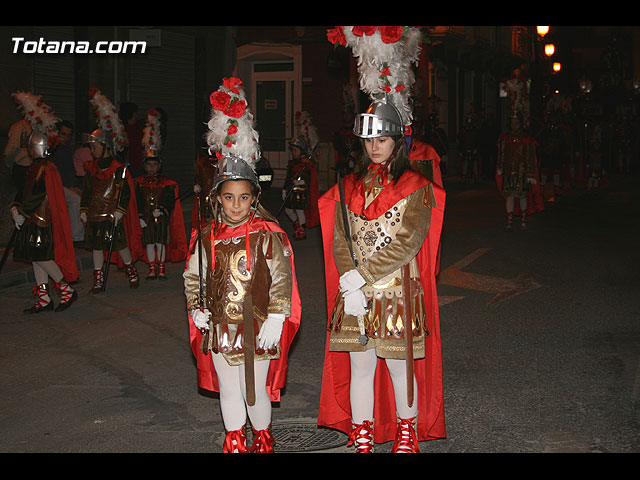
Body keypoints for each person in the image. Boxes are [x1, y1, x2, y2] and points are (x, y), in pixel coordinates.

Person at [320, 26, 446, 453]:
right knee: (360, 368)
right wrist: (348, 279)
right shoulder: (349, 184)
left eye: (383, 139)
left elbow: (409, 240)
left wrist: (363, 276)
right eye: (369, 140)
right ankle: (363, 432)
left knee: (398, 369)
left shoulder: (415, 185)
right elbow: (342, 234)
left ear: (397, 142)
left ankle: (407, 430)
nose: (375, 147)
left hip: (395, 290)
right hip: (354, 293)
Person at [184, 77, 301, 453]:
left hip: (257, 326)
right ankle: (234, 439)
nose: (236, 205)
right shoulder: (206, 235)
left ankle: (263, 437)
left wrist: (277, 318)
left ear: (254, 198)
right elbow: (194, 276)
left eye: (244, 198)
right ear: (218, 198)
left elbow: (282, 278)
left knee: (255, 390)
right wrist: (197, 309)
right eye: (229, 197)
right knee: (229, 388)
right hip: (220, 327)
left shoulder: (267, 232)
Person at [80, 88, 143, 292]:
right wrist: (83, 209)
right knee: (96, 247)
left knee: (120, 246)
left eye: (95, 146)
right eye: (91, 147)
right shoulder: (91, 167)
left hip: (111, 214)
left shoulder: (118, 168)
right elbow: (88, 190)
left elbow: (124, 192)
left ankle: (131, 270)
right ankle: (98, 278)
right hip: (95, 213)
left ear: (105, 146)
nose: (92, 150)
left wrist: (120, 211)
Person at [10, 129, 79, 313]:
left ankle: (66, 289)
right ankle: (44, 298)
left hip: (42, 219)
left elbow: (39, 193)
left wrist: (22, 211)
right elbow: (25, 189)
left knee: (43, 257)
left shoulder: (47, 168)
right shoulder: (35, 167)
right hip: (32, 218)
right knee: (35, 257)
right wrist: (15, 207)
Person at [134, 109, 187, 279]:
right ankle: (151, 267)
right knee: (149, 243)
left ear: (159, 166)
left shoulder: (167, 184)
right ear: (145, 166)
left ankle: (161, 268)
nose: (152, 168)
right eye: (149, 165)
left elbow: (170, 199)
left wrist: (163, 209)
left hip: (161, 218)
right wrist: (140, 216)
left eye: (154, 165)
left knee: (160, 243)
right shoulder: (139, 183)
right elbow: (137, 200)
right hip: (146, 219)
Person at [496, 110, 544, 231]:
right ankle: (510, 220)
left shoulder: (526, 139)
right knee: (510, 196)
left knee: (522, 196)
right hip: (508, 172)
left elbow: (530, 157)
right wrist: (500, 167)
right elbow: (501, 154)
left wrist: (530, 173)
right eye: (512, 123)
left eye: (516, 123)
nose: (514, 125)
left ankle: (523, 219)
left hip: (522, 172)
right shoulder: (505, 138)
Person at [50, 120, 85, 242]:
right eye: (63, 134)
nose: (66, 138)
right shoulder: (52, 150)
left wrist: (74, 186)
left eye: (69, 135)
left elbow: (70, 171)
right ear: (57, 133)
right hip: (53, 186)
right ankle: (76, 236)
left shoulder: (67, 150)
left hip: (65, 185)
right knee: (76, 200)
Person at [281, 134, 319, 240]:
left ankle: (301, 229)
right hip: (291, 190)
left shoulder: (306, 163)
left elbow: (309, 178)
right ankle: (297, 223)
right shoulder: (293, 163)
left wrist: (301, 181)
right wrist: (284, 189)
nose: (293, 153)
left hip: (301, 192)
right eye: (292, 150)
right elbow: (289, 177)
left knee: (299, 210)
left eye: (295, 150)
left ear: (302, 151)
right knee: (288, 209)